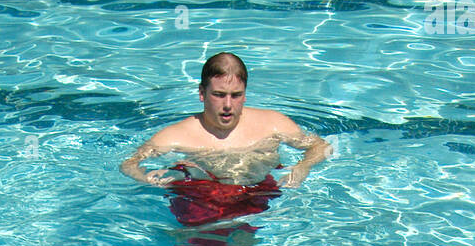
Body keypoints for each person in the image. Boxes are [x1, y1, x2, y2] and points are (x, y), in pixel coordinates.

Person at [121, 52, 331, 202]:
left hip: (258, 193)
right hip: (200, 200)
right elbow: (129, 164)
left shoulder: (273, 124)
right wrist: (148, 178)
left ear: (245, 94)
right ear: (202, 93)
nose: (228, 105)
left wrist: (302, 168)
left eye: (236, 95)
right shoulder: (175, 136)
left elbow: (320, 146)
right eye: (219, 95)